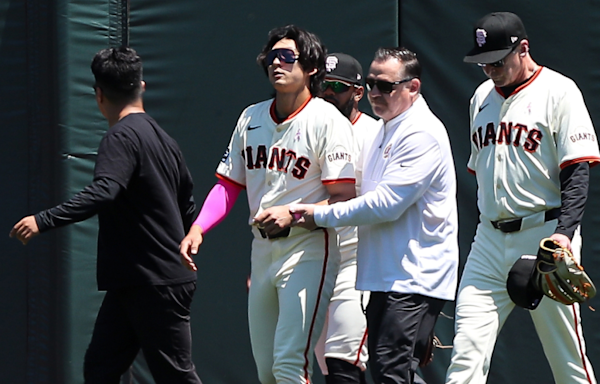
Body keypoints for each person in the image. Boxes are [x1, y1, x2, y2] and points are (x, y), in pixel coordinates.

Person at [256, 47, 459, 384]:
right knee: (391, 368)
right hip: (385, 273)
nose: (376, 93)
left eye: (385, 86)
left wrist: (312, 215)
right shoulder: (385, 127)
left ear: (413, 87)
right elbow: (357, 192)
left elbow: (385, 205)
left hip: (414, 274)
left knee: (390, 368)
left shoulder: (420, 132)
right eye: (372, 83)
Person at [9, 47, 202, 384]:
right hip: (134, 282)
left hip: (154, 283)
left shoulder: (120, 137)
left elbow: (105, 191)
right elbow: (188, 203)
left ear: (99, 95)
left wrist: (43, 220)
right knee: (100, 369)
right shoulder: (164, 139)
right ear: (141, 85)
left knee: (176, 378)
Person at [178, 25, 357, 384]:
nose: (278, 62)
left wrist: (293, 215)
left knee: (290, 364)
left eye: (288, 57)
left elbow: (343, 198)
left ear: (310, 68)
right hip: (262, 253)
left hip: (309, 249)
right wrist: (198, 227)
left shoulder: (327, 120)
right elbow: (228, 186)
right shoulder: (251, 117)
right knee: (267, 373)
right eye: (273, 56)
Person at [445, 12, 599, 384]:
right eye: (483, 63)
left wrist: (563, 235)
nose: (490, 70)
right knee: (466, 353)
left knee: (567, 360)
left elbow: (576, 171)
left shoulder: (560, 91)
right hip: (488, 240)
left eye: (498, 60)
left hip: (543, 236)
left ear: (523, 48)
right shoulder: (481, 97)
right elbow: (483, 175)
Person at [313, 53, 378, 384]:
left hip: (357, 260)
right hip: (313, 256)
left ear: (358, 93)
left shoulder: (376, 134)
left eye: (337, 86)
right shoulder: (307, 128)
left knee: (343, 361)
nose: (327, 92)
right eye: (322, 84)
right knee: (321, 365)